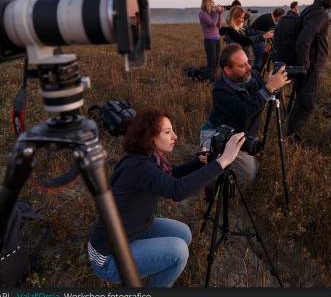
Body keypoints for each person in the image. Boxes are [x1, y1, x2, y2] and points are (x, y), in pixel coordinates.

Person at [88, 107, 246, 287]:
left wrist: (198, 162)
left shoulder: (148, 157)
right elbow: (176, 190)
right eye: (167, 132)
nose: (175, 137)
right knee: (178, 252)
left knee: (183, 234)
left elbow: (172, 175)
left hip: (133, 231)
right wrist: (222, 162)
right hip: (108, 257)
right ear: (150, 136)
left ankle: (148, 267)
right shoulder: (140, 167)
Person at [200, 43, 291, 186]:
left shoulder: (252, 75)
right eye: (242, 65)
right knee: (249, 174)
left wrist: (272, 83)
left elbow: (263, 96)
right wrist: (269, 88)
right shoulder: (220, 90)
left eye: (248, 62)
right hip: (220, 136)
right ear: (227, 70)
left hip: (241, 134)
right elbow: (243, 111)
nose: (249, 67)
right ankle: (209, 158)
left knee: (252, 165)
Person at [287, 0, 331, 142]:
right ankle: (292, 140)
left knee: (301, 101)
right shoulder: (320, 15)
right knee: (306, 104)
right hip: (311, 67)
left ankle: (289, 135)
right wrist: (306, 66)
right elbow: (303, 40)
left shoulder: (310, 9)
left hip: (306, 66)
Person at [198, 0, 223, 82]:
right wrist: (217, 13)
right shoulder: (202, 13)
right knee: (211, 62)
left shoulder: (212, 13)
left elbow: (218, 25)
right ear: (207, 2)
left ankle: (212, 79)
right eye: (212, 2)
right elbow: (212, 24)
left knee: (216, 62)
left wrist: (219, 14)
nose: (213, 4)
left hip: (216, 39)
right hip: (209, 40)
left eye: (213, 2)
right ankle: (207, 81)